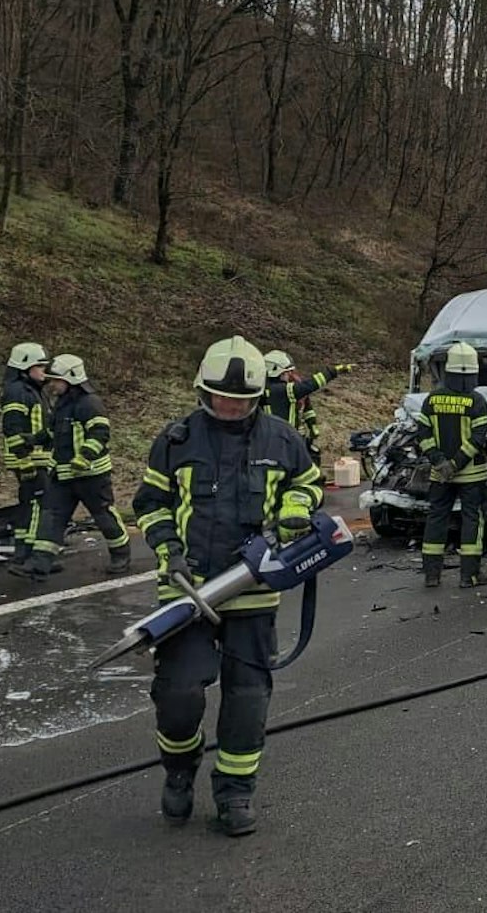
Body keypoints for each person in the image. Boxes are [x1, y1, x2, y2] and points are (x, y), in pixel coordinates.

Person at [132, 336, 325, 836]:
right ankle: (179, 769)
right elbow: (149, 502)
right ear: (202, 391)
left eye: (241, 399)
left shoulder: (282, 440)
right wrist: (167, 550)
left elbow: (307, 483)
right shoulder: (176, 440)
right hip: (186, 592)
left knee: (247, 697)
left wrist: (295, 510)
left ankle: (235, 793)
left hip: (253, 590)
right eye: (222, 397)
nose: (231, 406)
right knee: (178, 695)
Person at [16, 354, 130, 578]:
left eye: (57, 380)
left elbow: (99, 433)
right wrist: (32, 439)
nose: (53, 384)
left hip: (91, 475)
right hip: (63, 475)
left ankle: (121, 555)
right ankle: (39, 563)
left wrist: (84, 457)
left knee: (103, 515)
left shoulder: (89, 404)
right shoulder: (62, 404)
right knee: (52, 516)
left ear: (71, 379)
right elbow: (52, 433)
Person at [413, 342, 487, 588]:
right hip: (470, 475)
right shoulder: (476, 401)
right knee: (471, 520)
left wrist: (440, 462)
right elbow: (478, 438)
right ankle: (469, 575)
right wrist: (457, 463)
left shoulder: (432, 399)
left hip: (440, 476)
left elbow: (423, 436)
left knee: (436, 519)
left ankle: (432, 575)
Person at [0, 342, 53, 566]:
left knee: (29, 504)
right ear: (25, 367)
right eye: (39, 367)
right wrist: (25, 460)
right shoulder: (18, 393)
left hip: (35, 459)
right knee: (37, 505)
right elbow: (12, 428)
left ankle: (23, 550)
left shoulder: (31, 391)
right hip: (29, 460)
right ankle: (31, 553)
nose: (44, 371)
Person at [262, 351, 356, 463]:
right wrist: (334, 371)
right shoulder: (285, 390)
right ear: (277, 371)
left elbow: (306, 407)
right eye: (287, 373)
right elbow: (311, 384)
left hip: (271, 442)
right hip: (285, 442)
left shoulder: (261, 391)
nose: (289, 376)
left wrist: (312, 425)